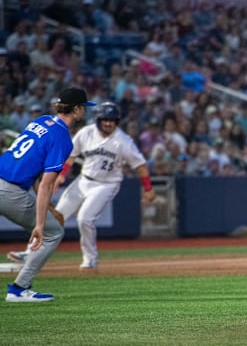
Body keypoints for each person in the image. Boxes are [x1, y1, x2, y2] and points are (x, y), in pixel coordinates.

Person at [7, 102, 156, 269]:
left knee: (85, 218)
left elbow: (140, 166)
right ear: (98, 119)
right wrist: (61, 175)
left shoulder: (123, 141)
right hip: (83, 180)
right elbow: (71, 155)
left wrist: (148, 188)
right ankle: (30, 253)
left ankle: (90, 258)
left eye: (112, 120)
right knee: (55, 215)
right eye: (105, 119)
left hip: (107, 184)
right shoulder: (86, 132)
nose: (108, 123)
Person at [1, 87, 95, 302]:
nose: (85, 112)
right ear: (77, 109)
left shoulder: (41, 121)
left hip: (7, 181)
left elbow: (33, 170)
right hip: (10, 192)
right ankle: (19, 289)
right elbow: (45, 185)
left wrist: (48, 208)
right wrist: (40, 225)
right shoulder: (63, 138)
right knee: (53, 233)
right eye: (84, 108)